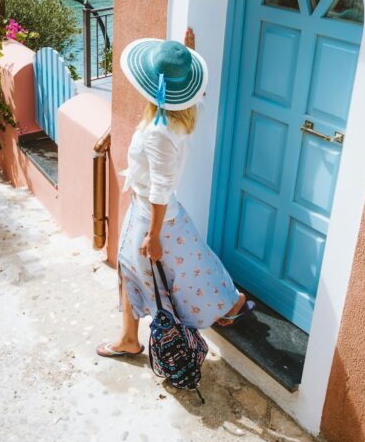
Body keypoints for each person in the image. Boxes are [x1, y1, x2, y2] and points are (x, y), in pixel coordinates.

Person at [97, 33, 253, 358]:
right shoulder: (182, 114)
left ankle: (129, 338)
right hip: (166, 214)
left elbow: (160, 188)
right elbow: (197, 93)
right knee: (194, 265)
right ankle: (232, 303)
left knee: (135, 271)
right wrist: (188, 53)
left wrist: (153, 235)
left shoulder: (158, 130)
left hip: (152, 215)